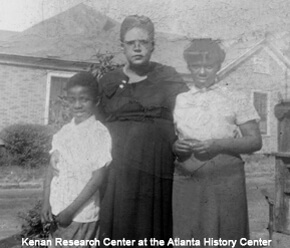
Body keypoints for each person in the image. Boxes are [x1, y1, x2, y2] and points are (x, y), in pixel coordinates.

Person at [172, 39, 262, 247]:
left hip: (224, 178)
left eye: (209, 66)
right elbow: (171, 138)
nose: (202, 72)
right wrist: (175, 146)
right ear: (189, 67)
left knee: (225, 234)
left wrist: (219, 145)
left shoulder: (235, 97)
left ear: (218, 66)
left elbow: (255, 141)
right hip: (188, 177)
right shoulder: (180, 99)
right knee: (188, 235)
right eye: (196, 66)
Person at [41, 72, 112, 248]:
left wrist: (71, 211)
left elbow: (97, 178)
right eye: (72, 100)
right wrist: (45, 204)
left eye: (84, 99)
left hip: (80, 215)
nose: (77, 105)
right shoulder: (63, 132)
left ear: (95, 101)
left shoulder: (99, 133)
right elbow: (51, 171)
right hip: (57, 211)